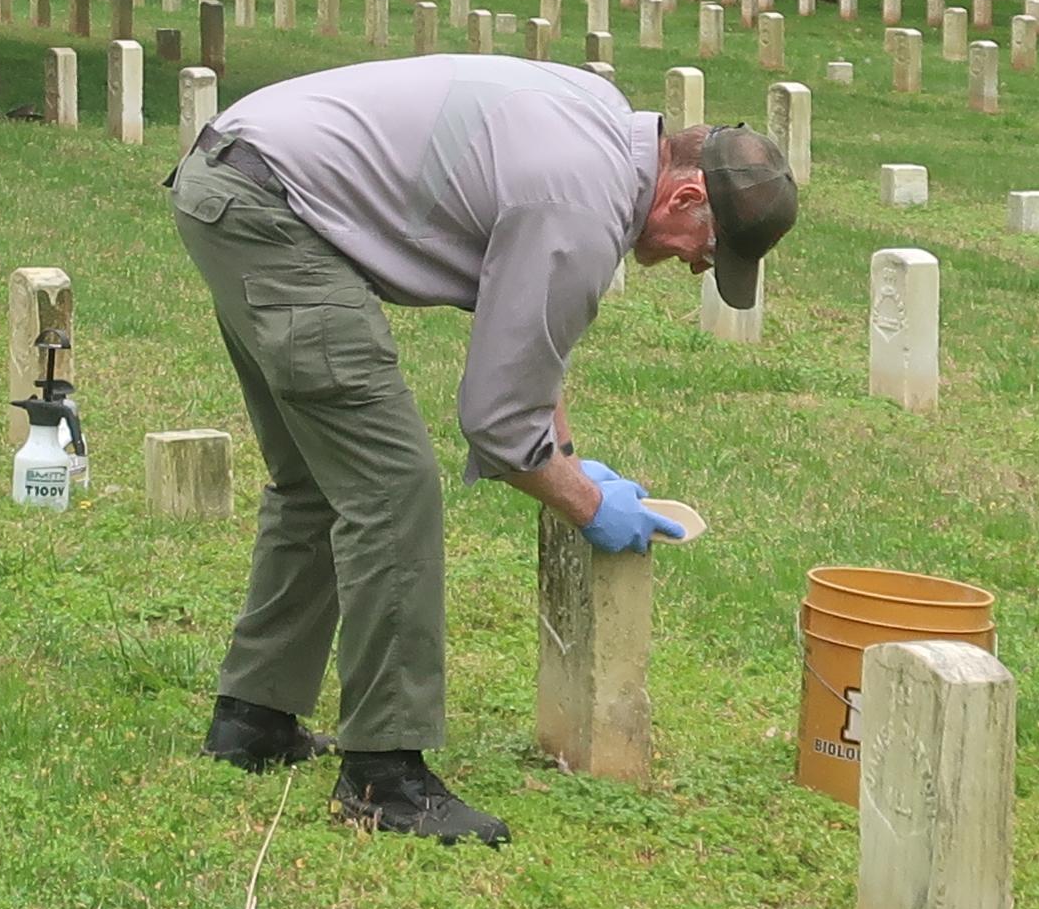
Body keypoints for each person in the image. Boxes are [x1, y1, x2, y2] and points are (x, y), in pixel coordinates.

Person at [164, 57, 796, 842]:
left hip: (234, 179)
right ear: (686, 195)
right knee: (390, 489)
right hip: (276, 211)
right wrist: (589, 505)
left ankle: (253, 721)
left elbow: (526, 332)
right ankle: (383, 777)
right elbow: (497, 426)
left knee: (319, 479)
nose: (699, 265)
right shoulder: (579, 198)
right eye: (710, 249)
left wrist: (562, 448)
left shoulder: (600, 124)